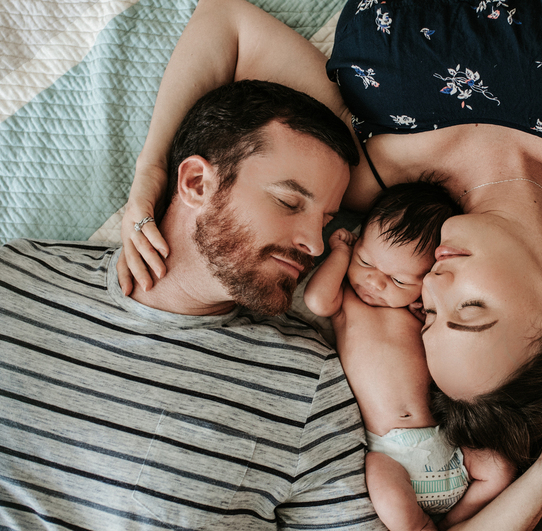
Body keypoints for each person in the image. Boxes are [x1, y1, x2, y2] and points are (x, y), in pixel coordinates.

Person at [116, 0, 542, 527]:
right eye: (469, 310)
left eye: (427, 314)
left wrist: (148, 177)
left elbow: (228, 24)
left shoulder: (367, 181)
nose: (435, 284)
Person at [0, 79, 391, 530]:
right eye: (289, 201)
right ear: (195, 182)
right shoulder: (17, 275)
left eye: (326, 220)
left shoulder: (307, 383)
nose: (315, 244)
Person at [304, 181, 515, 530]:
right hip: (391, 455)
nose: (374, 282)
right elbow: (316, 301)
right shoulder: (347, 302)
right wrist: (341, 254)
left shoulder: (421, 313)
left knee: (499, 469)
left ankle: (455, 520)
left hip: (448, 442)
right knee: (377, 475)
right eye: (365, 261)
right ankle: (419, 526)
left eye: (399, 281)